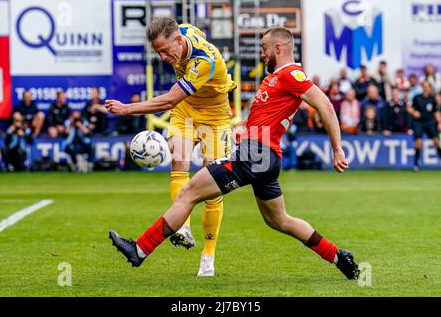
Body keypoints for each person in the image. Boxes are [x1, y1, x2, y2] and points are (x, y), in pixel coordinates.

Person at [107, 27, 360, 280]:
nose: (261, 54)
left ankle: (139, 249)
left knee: (188, 192)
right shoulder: (275, 78)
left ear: (279, 49)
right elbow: (267, 117)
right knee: (279, 220)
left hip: (254, 156)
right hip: (265, 158)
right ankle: (338, 256)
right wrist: (244, 127)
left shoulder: (291, 74)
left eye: (264, 48)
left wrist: (337, 148)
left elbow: (324, 104)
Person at [105, 18, 236, 276]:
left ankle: (208, 257)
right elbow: (177, 102)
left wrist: (127, 108)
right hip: (186, 111)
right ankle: (183, 228)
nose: (164, 57)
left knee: (212, 186)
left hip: (215, 116)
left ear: (178, 40)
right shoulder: (183, 31)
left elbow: (169, 100)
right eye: (158, 52)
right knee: (179, 165)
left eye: (165, 50)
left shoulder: (203, 62)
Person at [407, 81, 441, 171]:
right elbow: (409, 108)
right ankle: (416, 164)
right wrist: (413, 112)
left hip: (430, 122)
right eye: (424, 86)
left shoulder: (432, 99)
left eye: (428, 86)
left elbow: (436, 112)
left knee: (437, 142)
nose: (426, 88)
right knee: (418, 143)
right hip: (419, 122)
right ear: (422, 87)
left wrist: (440, 122)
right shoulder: (417, 97)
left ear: (430, 88)